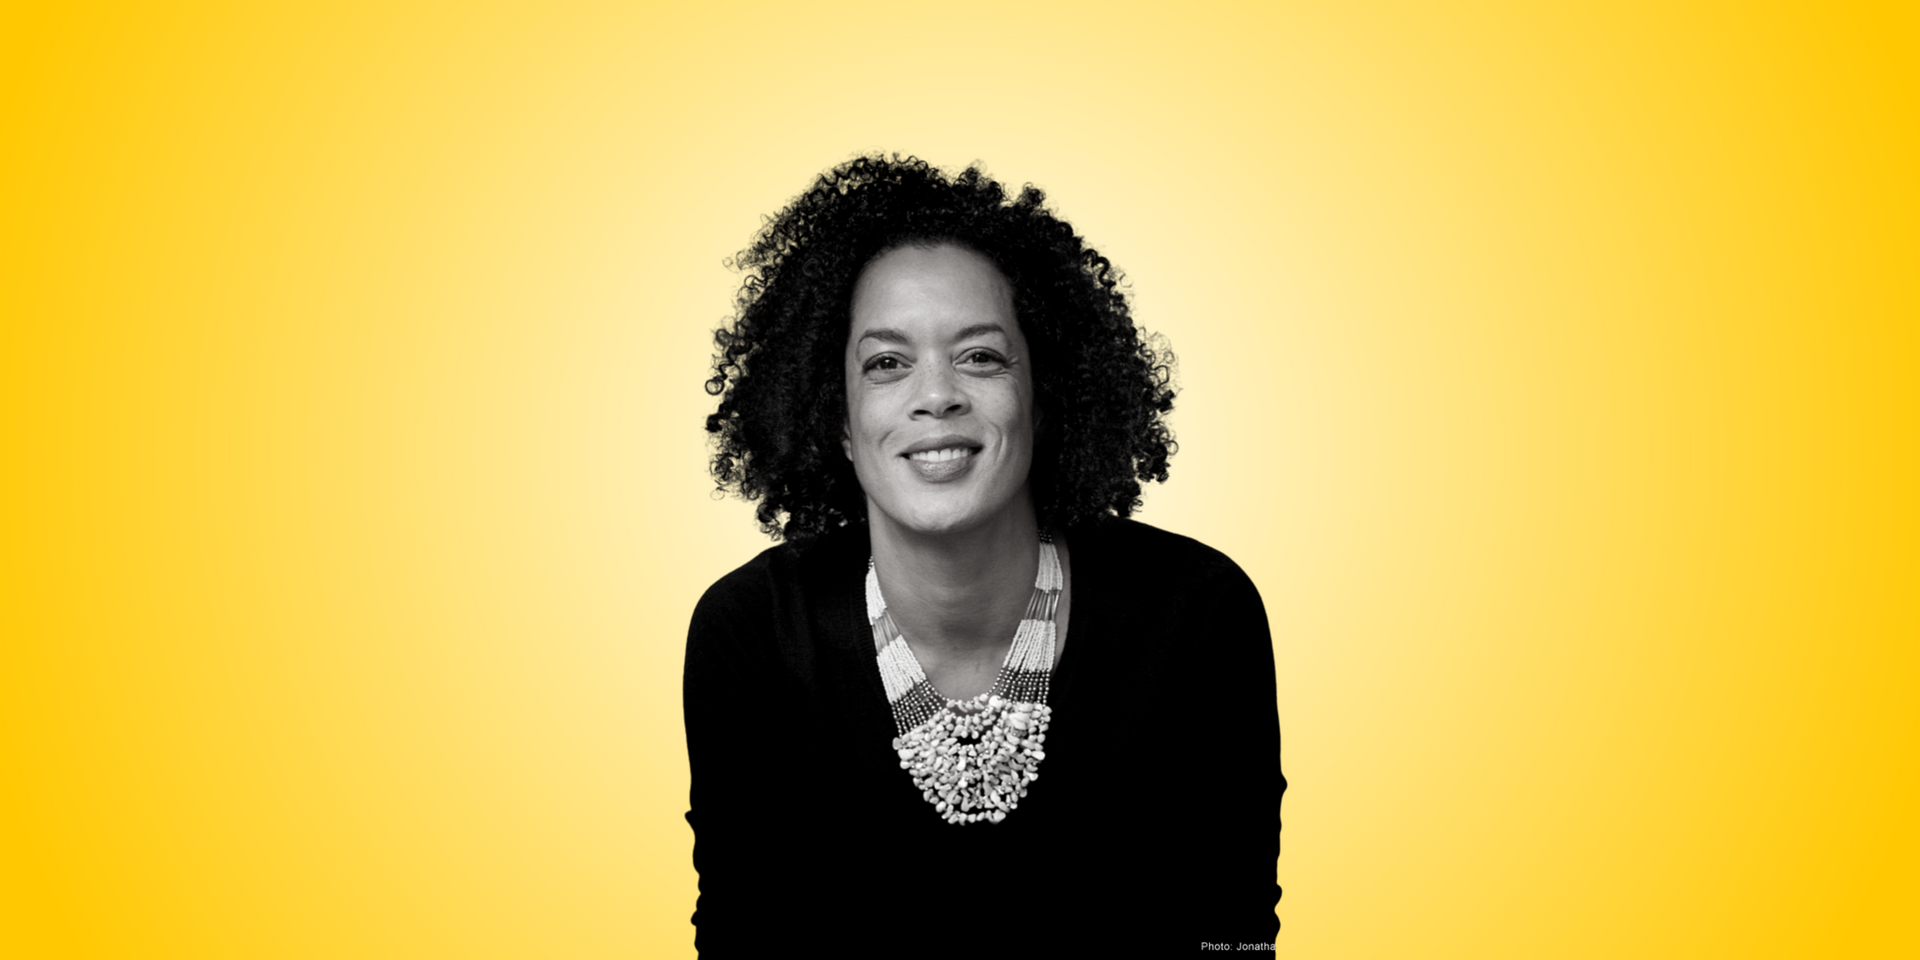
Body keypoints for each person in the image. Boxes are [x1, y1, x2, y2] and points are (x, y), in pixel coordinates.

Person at [685, 156, 1283, 954]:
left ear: (1041, 398)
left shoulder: (1195, 613)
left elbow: (1233, 942)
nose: (938, 395)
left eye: (980, 356)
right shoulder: (754, 635)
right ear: (838, 422)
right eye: (887, 363)